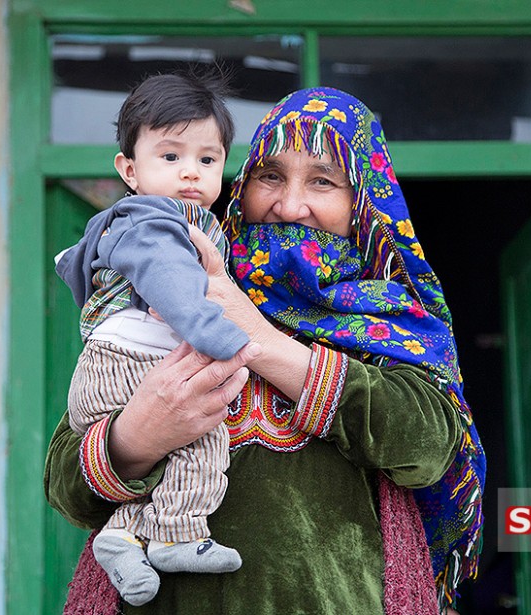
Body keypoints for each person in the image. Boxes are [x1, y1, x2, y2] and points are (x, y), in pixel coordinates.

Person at [45, 86, 486, 614]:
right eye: (270, 176)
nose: (289, 204)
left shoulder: (390, 318)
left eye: (322, 181)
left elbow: (428, 448)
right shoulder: (170, 280)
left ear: (361, 200)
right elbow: (66, 485)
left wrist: (259, 339)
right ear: (243, 184)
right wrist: (139, 433)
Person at [53, 70, 250, 606]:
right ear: (129, 169)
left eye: (207, 160)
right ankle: (175, 532)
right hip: (135, 361)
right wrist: (218, 334)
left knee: (181, 442)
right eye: (171, 157)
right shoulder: (162, 221)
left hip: (112, 361)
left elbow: (79, 267)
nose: (191, 173)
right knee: (206, 432)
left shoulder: (132, 219)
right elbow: (171, 284)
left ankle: (123, 534)